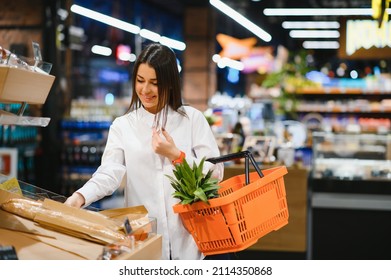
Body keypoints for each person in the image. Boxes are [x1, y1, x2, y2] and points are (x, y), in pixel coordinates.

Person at [64, 43, 224, 260]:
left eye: (154, 83)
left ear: (169, 84)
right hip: (144, 242)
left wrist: (177, 156)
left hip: (190, 243)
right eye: (140, 81)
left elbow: (216, 172)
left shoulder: (192, 119)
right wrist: (80, 197)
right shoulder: (123, 126)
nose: (145, 90)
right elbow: (109, 173)